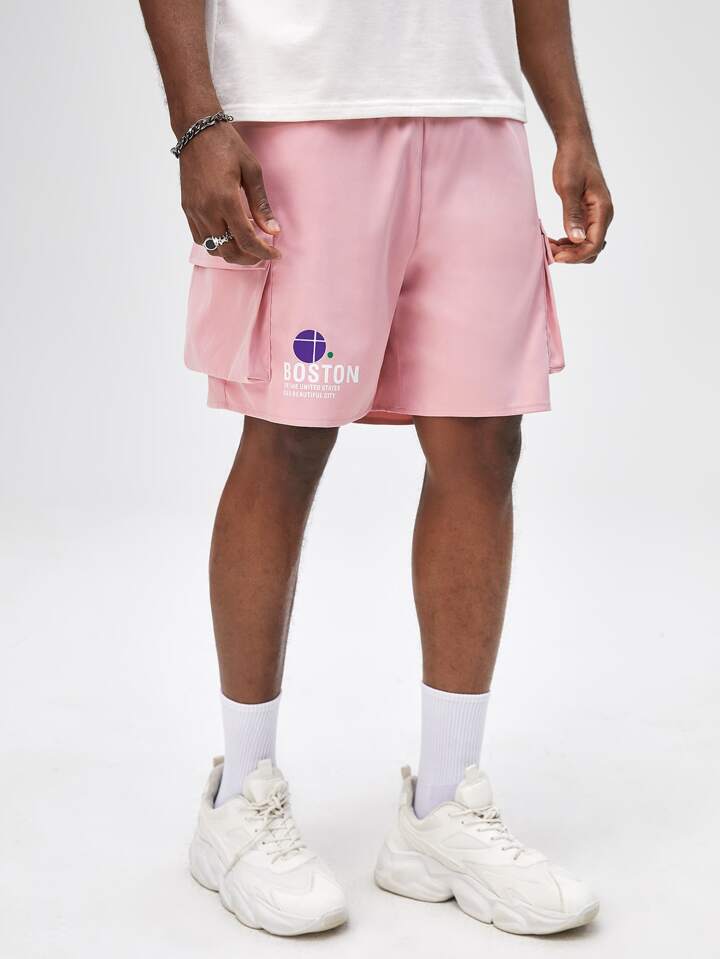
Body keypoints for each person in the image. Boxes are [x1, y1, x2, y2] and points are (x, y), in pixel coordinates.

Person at [140, 0, 613, 938]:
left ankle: (442, 808)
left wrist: (570, 122)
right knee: (287, 435)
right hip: (302, 106)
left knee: (485, 440)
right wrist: (196, 123)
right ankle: (238, 799)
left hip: (476, 110)